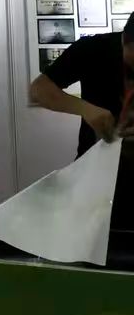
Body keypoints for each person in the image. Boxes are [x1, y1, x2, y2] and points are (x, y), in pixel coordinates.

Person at [31, 12, 134, 230]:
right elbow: (39, 90)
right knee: (90, 240)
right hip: (94, 175)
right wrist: (85, 109)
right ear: (125, 39)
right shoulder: (93, 49)